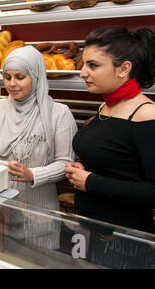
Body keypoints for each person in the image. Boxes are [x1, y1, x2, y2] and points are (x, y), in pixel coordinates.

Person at [0, 45, 77, 249]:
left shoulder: (59, 113)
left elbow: (66, 164)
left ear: (36, 76)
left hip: (41, 216)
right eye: (7, 77)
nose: (12, 84)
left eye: (20, 77)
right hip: (1, 212)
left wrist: (33, 174)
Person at [65, 26, 155, 234]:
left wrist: (90, 181)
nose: (82, 72)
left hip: (125, 239)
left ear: (123, 68)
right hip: (91, 229)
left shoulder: (145, 115)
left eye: (93, 65)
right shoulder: (105, 107)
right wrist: (82, 169)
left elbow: (152, 191)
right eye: (83, 64)